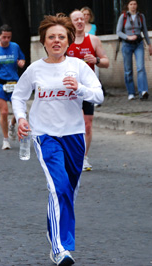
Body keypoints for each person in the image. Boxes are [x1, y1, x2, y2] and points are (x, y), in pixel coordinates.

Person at [12, 14, 103, 266]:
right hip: (45, 135)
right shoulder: (35, 69)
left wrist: (79, 89)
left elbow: (98, 95)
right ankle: (60, 248)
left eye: (61, 37)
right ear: (44, 41)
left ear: (68, 41)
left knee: (69, 191)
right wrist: (21, 119)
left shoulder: (78, 67)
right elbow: (18, 97)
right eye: (51, 37)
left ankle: (56, 233)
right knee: (58, 187)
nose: (56, 41)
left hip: (74, 135)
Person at [67, 10, 109, 171]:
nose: (79, 21)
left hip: (87, 89)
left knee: (88, 125)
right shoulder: (66, 41)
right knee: (70, 124)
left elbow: (106, 62)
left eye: (81, 18)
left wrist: (96, 60)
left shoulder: (93, 40)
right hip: (70, 89)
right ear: (71, 22)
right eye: (75, 19)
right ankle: (71, 154)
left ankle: (83, 158)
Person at [116, 0, 152, 100]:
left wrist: (149, 44)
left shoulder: (141, 16)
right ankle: (131, 92)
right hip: (127, 45)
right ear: (128, 6)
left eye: (135, 4)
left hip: (138, 44)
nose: (133, 6)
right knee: (128, 70)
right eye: (131, 4)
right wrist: (128, 37)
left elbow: (145, 31)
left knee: (140, 67)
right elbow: (118, 32)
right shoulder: (123, 17)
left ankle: (143, 91)